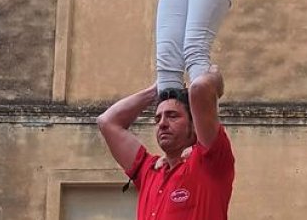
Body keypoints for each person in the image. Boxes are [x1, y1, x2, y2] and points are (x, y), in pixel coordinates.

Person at [97, 66, 234, 219]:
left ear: (195, 125)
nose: (162, 123)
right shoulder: (149, 171)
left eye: (172, 116)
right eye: (157, 118)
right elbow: (106, 122)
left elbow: (200, 87)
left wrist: (214, 74)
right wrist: (155, 90)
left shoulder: (210, 161)